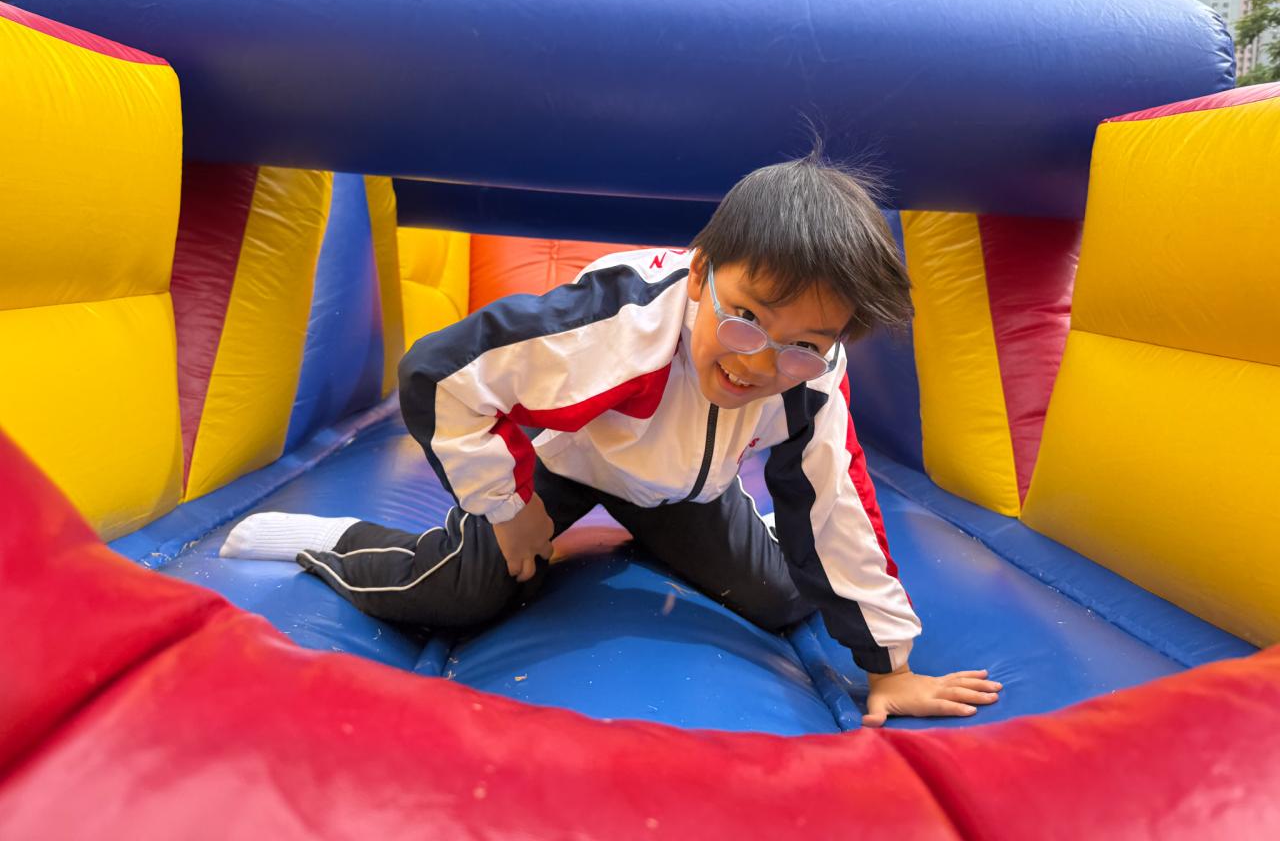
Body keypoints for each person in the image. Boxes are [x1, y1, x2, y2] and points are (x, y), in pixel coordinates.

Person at [221, 151, 1001, 726]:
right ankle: (332, 539)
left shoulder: (813, 375)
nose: (761, 361)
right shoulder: (616, 326)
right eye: (745, 317)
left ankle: (674, 534)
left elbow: (835, 503)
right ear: (701, 273)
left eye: (803, 343)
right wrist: (508, 510)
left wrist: (888, 666)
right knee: (464, 593)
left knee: (784, 594)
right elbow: (440, 375)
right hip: (566, 463)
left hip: (686, 489)